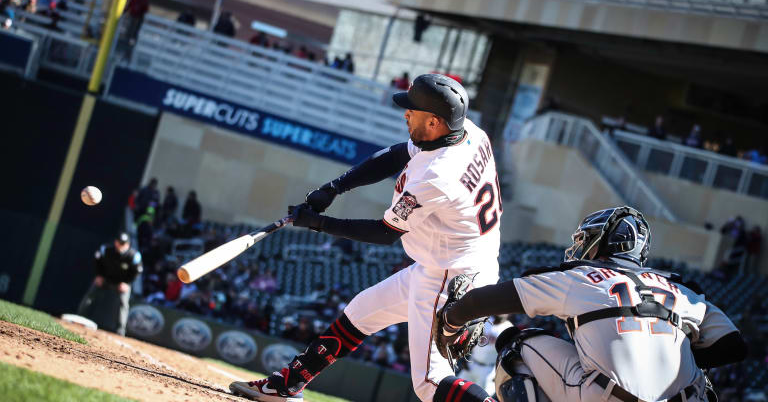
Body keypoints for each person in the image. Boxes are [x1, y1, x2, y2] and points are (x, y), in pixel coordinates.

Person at [229, 74, 502, 402]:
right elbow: (399, 154)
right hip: (455, 263)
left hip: (451, 276)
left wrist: (318, 223)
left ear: (434, 121)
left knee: (430, 382)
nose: (405, 114)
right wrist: (334, 188)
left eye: (412, 111)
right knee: (361, 311)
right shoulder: (466, 132)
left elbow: (384, 233)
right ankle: (285, 387)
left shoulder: (436, 176)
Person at [433, 206, 747, 402]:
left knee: (516, 345)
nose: (579, 247)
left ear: (606, 242)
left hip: (610, 397)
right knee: (700, 378)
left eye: (586, 239)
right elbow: (733, 346)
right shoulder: (683, 288)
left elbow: (487, 299)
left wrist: (451, 320)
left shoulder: (582, 277)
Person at [78, 232, 143, 336]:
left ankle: (120, 330)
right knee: (90, 295)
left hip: (122, 283)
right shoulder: (106, 250)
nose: (121, 245)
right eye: (119, 242)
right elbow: (97, 261)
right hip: (105, 279)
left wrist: (127, 283)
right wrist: (99, 275)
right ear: (115, 242)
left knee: (124, 303)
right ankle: (79, 318)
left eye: (123, 243)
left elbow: (137, 272)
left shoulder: (134, 255)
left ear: (128, 245)